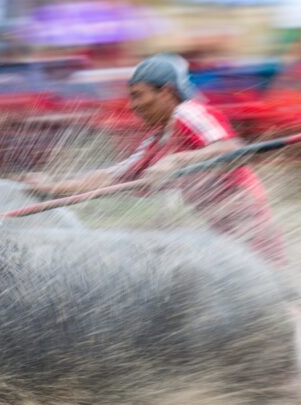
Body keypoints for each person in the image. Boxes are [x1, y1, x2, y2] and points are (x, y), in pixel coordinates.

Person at [22, 54, 287, 266]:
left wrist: (176, 161)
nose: (133, 105)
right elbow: (110, 177)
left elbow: (231, 148)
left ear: (167, 92)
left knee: (268, 290)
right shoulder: (155, 142)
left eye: (138, 95)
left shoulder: (188, 112)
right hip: (221, 230)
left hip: (247, 219)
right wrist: (53, 186)